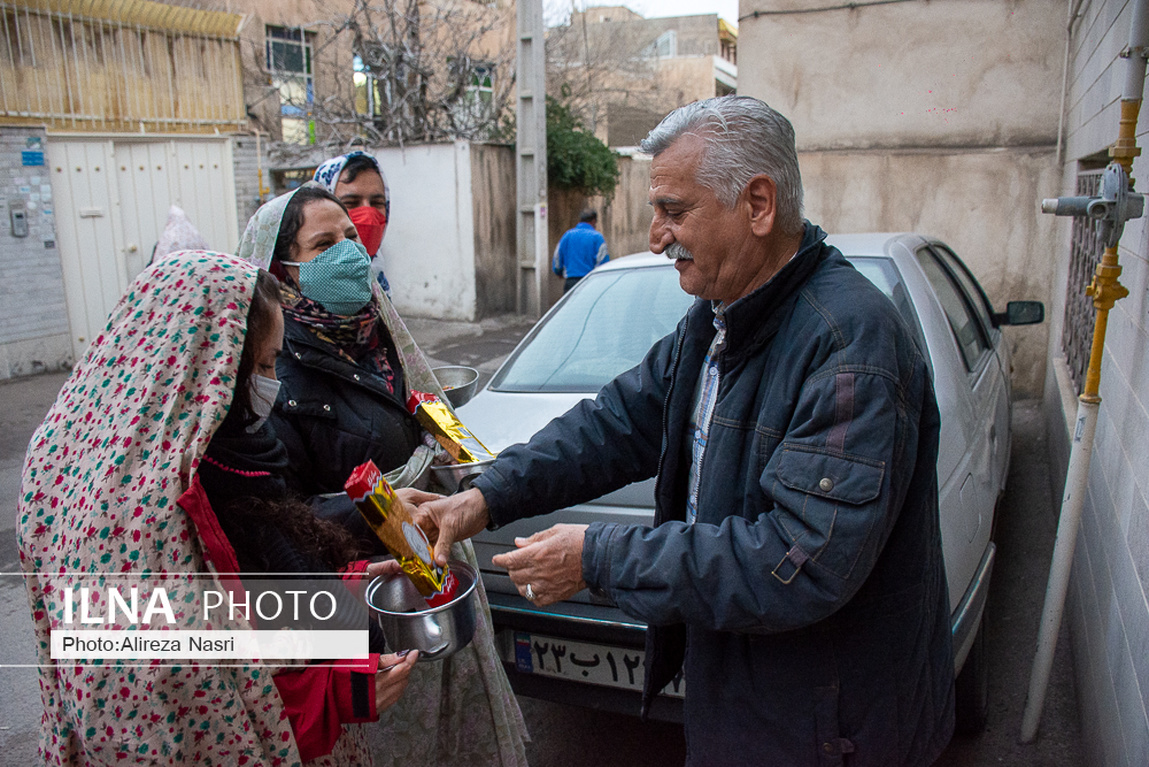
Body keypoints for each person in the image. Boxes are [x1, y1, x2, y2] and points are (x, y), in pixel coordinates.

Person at [417, 95, 954, 766]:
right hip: (746, 695)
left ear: (757, 204)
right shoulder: (718, 315)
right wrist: (484, 496)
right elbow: (614, 423)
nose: (654, 235)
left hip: (830, 725)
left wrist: (597, 556)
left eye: (674, 211)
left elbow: (795, 561)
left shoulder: (850, 346)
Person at [18, 251, 419, 764]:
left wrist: (351, 584)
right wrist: (333, 696)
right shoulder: (151, 511)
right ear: (207, 365)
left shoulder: (182, 455)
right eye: (265, 364)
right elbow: (172, 696)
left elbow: (248, 597)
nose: (272, 383)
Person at [238, 185, 530, 767]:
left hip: (426, 568)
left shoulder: (379, 335)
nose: (350, 253)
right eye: (324, 244)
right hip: (369, 603)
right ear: (283, 270)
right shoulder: (269, 373)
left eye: (351, 238)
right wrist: (380, 507)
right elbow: (276, 528)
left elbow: (420, 409)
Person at [314, 151, 393, 294]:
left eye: (377, 203)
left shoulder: (379, 282)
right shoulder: (304, 291)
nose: (368, 215)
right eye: (351, 203)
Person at [552, 208, 609, 292]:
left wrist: (559, 272)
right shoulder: (597, 237)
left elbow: (557, 257)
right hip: (590, 281)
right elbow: (603, 261)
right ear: (593, 221)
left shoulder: (567, 235)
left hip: (571, 282)